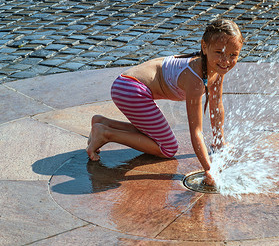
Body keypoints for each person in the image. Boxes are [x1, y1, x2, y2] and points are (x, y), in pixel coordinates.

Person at [86, 19, 244, 186]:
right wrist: (208, 168)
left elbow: (216, 105)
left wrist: (220, 141)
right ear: (204, 47)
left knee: (156, 134)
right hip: (131, 90)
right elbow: (196, 131)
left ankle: (102, 123)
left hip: (127, 85)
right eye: (219, 52)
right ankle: (106, 134)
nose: (226, 61)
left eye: (233, 55)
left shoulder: (216, 68)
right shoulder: (195, 79)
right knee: (167, 147)